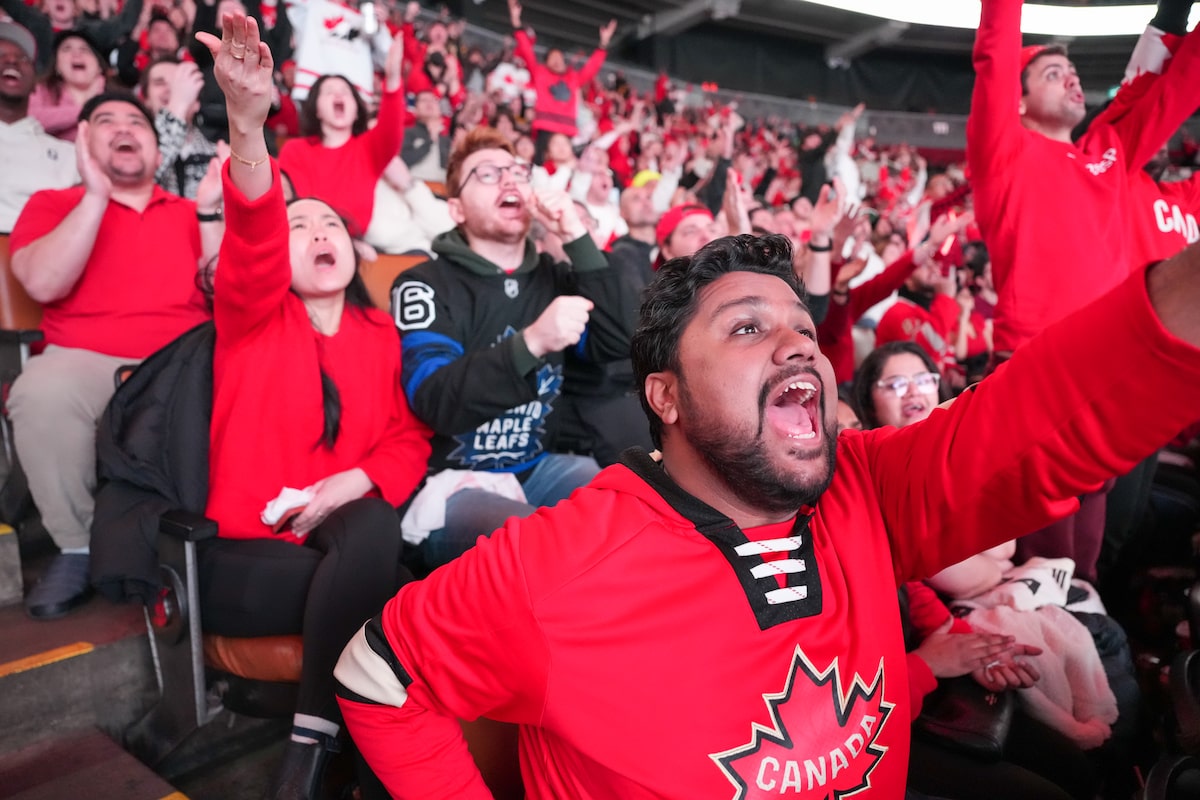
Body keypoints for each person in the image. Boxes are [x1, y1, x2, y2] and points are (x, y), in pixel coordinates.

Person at [333, 230, 1200, 797]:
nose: (797, 344)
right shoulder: (561, 558)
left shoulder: (870, 489)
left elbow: (1055, 414)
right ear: (665, 396)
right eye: (747, 329)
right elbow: (377, 678)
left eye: (803, 329)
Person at [194, 14, 431, 797]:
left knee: (374, 536)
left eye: (330, 221)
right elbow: (255, 227)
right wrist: (247, 123)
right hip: (246, 561)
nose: (319, 229)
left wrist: (350, 482)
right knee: (393, 588)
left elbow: (410, 439)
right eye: (303, 224)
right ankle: (340, 762)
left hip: (343, 552)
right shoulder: (251, 314)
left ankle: (314, 757)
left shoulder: (380, 331)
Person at [9, 91, 224, 619]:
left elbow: (229, 294)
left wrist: (212, 213)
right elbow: (40, 281)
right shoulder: (53, 204)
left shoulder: (190, 209)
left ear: (158, 150)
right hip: (88, 360)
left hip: (184, 364)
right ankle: (78, 545)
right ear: (81, 140)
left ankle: (231, 538)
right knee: (41, 390)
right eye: (106, 121)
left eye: (138, 123)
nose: (125, 128)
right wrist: (94, 197)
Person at [390, 125, 634, 571]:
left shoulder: (553, 275)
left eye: (517, 171)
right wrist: (533, 342)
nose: (507, 180)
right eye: (486, 174)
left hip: (535, 469)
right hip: (452, 482)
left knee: (629, 517)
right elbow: (436, 400)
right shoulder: (422, 283)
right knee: (546, 549)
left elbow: (618, 342)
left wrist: (577, 238)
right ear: (456, 209)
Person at [967, 0, 1200, 363]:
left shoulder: (1109, 150)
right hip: (1036, 357)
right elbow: (996, 52)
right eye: (1053, 74)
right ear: (1018, 103)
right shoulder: (1004, 153)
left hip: (1119, 356)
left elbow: (1177, 90)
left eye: (1071, 71)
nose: (1072, 78)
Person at [278, 31, 404, 236]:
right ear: (316, 110)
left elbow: (391, 127)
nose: (338, 94)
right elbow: (290, 208)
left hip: (351, 243)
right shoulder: (295, 150)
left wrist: (393, 78)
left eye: (345, 92)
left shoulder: (369, 149)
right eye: (328, 92)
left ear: (357, 111)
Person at [508, 0, 614, 162]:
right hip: (545, 127)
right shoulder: (540, 72)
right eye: (552, 58)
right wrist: (516, 21)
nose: (557, 61)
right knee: (540, 166)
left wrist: (603, 43)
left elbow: (591, 67)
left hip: (567, 130)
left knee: (565, 169)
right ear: (546, 62)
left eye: (559, 58)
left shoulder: (573, 77)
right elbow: (526, 49)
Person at [0, 21, 78, 233]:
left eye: (23, 58)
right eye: (0, 55)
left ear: (35, 82)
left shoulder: (69, 156)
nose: (11, 60)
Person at [139, 57, 218, 199]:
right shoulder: (135, 151)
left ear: (197, 103)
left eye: (180, 84)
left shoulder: (218, 156)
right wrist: (177, 108)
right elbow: (138, 183)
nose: (173, 90)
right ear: (146, 100)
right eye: (159, 83)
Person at [0, 0, 144, 74]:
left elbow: (126, 22)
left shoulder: (92, 31)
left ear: (75, 9)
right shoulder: (37, 27)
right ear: (44, 7)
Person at [28, 29, 108, 141]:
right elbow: (29, 120)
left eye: (85, 50)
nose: (77, 54)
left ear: (99, 67)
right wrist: (86, 109)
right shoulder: (41, 90)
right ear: (57, 66)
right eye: (67, 49)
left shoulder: (116, 97)